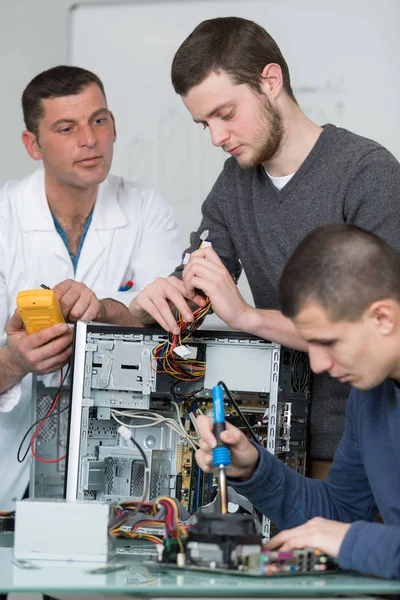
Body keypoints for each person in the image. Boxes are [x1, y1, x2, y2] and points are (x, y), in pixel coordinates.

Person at [129, 16, 400, 476]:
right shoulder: (233, 186)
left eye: (225, 114)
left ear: (269, 81)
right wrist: (137, 307)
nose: (217, 138)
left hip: (367, 448)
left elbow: (380, 329)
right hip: (273, 444)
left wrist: (246, 316)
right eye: (204, 125)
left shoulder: (367, 175)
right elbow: (197, 288)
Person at [0, 65, 181, 509]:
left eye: (98, 120)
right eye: (66, 128)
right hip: (9, 465)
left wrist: (104, 310)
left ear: (113, 125)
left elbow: (169, 331)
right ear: (33, 144)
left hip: (120, 458)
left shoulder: (146, 210)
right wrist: (13, 360)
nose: (89, 139)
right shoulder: (4, 218)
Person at [195, 224, 400, 579]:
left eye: (329, 342)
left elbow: (347, 536)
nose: (318, 364)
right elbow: (340, 516)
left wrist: (353, 542)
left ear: (383, 318)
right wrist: (253, 470)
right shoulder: (369, 396)